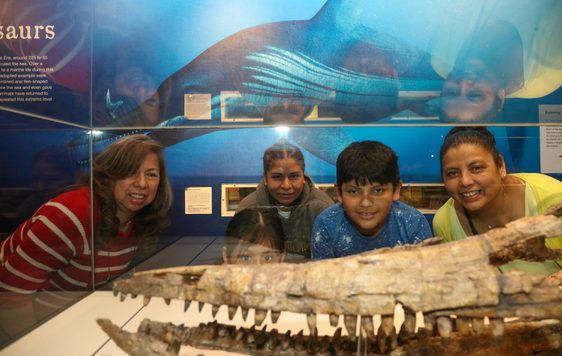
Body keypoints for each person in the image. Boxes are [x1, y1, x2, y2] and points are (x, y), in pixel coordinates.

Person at [0, 134, 173, 304]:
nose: (142, 183)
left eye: (151, 174)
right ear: (109, 176)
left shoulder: (136, 220)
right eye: (130, 172)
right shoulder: (70, 214)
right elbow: (10, 298)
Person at [433, 126, 562, 275]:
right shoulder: (444, 222)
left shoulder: (553, 197)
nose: (465, 181)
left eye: (476, 168)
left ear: (500, 165)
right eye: (452, 173)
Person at [311, 141, 432, 260]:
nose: (365, 203)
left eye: (378, 191)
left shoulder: (414, 224)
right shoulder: (326, 225)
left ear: (396, 190)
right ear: (339, 193)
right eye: (353, 192)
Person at [236, 140, 334, 260]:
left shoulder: (322, 208)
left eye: (294, 176)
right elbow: (238, 259)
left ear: (303, 176)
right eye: (277, 177)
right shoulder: (248, 208)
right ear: (266, 178)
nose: (286, 185)